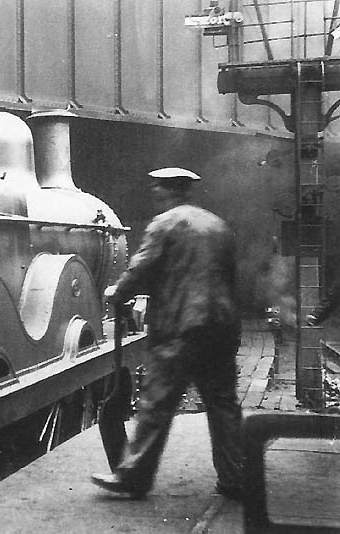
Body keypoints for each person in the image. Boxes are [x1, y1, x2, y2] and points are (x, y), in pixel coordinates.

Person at [91, 167, 244, 500]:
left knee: (156, 403)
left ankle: (132, 477)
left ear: (168, 191)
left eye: (157, 188)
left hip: (181, 327)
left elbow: (142, 268)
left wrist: (116, 293)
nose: (153, 192)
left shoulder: (165, 223)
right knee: (224, 405)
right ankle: (235, 478)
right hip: (221, 326)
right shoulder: (219, 226)